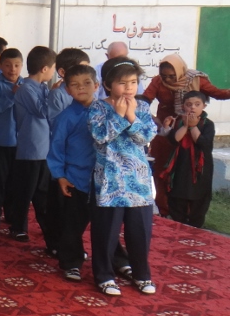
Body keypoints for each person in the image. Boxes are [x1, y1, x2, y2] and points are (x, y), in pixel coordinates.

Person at [89, 57, 158, 297]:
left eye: (133, 82)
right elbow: (100, 136)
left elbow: (147, 136)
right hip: (109, 179)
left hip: (138, 180)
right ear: (107, 84)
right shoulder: (98, 107)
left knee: (140, 231)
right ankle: (105, 275)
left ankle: (141, 274)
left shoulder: (143, 108)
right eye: (122, 82)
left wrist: (131, 116)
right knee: (106, 231)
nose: (129, 87)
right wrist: (118, 116)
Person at [142, 54, 230, 216]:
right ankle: (165, 210)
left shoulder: (195, 80)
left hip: (189, 132)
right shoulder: (157, 81)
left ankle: (188, 213)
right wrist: (150, 118)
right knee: (161, 171)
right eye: (164, 76)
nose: (168, 80)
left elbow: (217, 93)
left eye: (172, 76)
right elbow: (144, 100)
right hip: (166, 131)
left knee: (186, 171)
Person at [47, 64, 98, 282]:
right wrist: (60, 176)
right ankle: (71, 262)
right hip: (75, 179)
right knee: (72, 224)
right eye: (75, 85)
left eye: (87, 83)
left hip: (103, 179)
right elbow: (56, 148)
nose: (82, 88)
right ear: (67, 90)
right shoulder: (65, 117)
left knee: (106, 223)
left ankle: (118, 260)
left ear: (96, 85)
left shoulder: (106, 112)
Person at [7, 46, 57, 249]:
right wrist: (56, 94)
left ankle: (48, 230)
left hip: (44, 148)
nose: (54, 72)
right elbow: (42, 111)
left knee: (42, 192)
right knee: (25, 191)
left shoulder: (43, 87)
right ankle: (18, 226)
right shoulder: (26, 88)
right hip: (31, 148)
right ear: (45, 68)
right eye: (53, 68)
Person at [159, 90, 215, 228]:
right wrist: (185, 126)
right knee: (178, 198)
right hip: (180, 166)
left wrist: (193, 126)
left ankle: (195, 229)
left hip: (200, 168)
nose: (193, 108)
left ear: (204, 107)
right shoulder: (178, 122)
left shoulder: (208, 124)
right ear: (183, 106)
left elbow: (203, 143)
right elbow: (174, 140)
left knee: (199, 200)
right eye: (189, 104)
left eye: (197, 104)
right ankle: (179, 226)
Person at [0, 48, 23, 227]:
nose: (12, 69)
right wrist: (11, 96)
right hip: (1, 140)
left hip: (21, 142)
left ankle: (11, 213)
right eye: (8, 65)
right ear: (0, 66)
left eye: (16, 65)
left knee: (15, 181)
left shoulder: (26, 84)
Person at [48, 48, 90, 127]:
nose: (86, 73)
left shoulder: (89, 92)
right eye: (81, 69)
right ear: (62, 72)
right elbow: (56, 124)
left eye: (88, 69)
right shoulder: (57, 94)